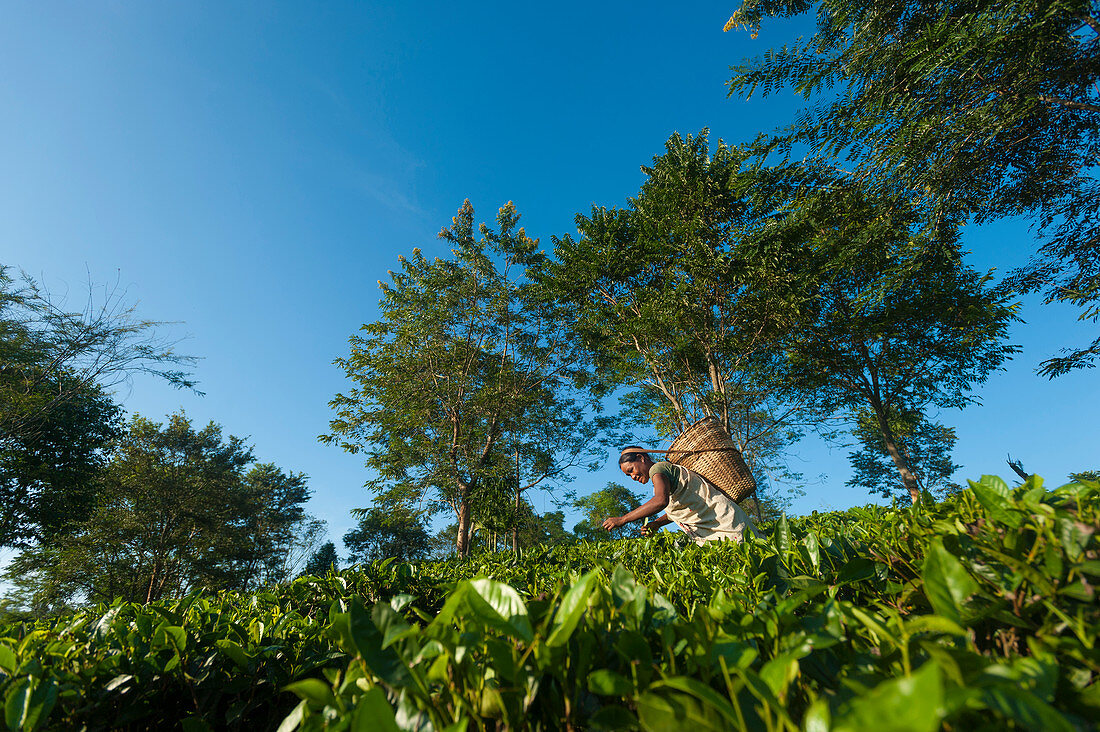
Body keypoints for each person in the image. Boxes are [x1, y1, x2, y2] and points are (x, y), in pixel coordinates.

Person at [601, 446, 763, 545]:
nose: (633, 477)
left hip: (727, 527)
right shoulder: (663, 473)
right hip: (725, 526)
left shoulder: (657, 470)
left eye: (631, 470)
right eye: (628, 476)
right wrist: (657, 523)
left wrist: (623, 519)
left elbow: (660, 501)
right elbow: (679, 509)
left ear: (641, 458)